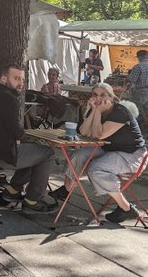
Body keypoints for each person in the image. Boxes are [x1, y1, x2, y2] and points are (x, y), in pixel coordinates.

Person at [49, 83, 146, 223]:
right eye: (95, 94)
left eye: (103, 95)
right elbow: (84, 131)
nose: (98, 98)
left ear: (111, 97)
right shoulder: (95, 109)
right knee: (80, 155)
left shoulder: (120, 111)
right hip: (110, 149)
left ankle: (126, 208)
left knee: (96, 168)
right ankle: (67, 189)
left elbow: (98, 135)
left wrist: (98, 112)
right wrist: (94, 111)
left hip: (132, 155)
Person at [0, 64, 58, 214]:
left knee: (34, 150)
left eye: (22, 80)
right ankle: (33, 201)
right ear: (4, 78)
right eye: (16, 78)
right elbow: (17, 132)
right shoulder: (7, 97)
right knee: (47, 153)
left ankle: (12, 191)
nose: (21, 83)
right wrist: (31, 135)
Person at [125, 50, 148, 123]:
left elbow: (132, 80)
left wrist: (128, 89)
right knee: (146, 110)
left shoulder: (138, 66)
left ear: (140, 57)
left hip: (141, 91)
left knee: (134, 109)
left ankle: (134, 126)